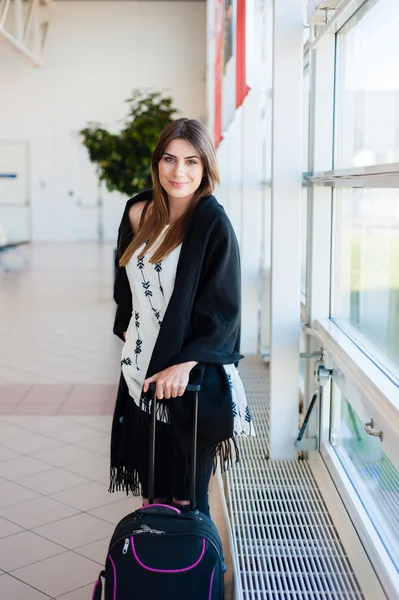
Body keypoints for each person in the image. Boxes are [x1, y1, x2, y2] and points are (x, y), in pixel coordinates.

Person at [109, 118, 253, 517]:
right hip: (141, 373)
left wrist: (184, 363)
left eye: (192, 161)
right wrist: (133, 335)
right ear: (157, 164)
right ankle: (156, 572)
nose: (179, 172)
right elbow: (125, 286)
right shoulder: (138, 213)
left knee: (187, 500)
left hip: (192, 379)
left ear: (205, 167)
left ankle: (196, 576)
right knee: (153, 496)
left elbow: (224, 309)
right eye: (170, 159)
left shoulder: (212, 224)